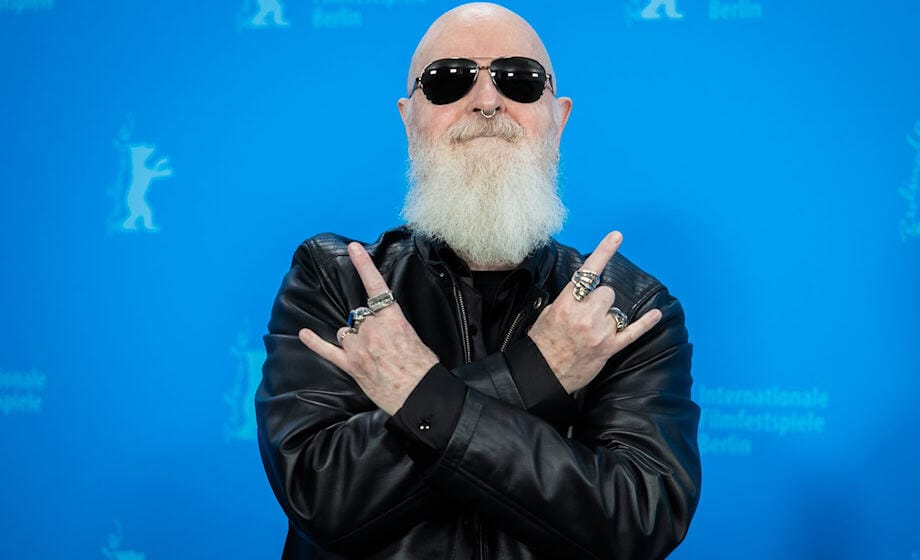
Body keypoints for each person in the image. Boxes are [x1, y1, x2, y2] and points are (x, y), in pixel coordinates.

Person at [255, 3, 701, 559]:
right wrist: (536, 375)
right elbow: (323, 496)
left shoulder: (625, 309)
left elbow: (638, 520)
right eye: (448, 81)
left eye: (520, 80)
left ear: (557, 118)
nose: (488, 102)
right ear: (408, 117)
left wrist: (417, 398)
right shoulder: (335, 282)